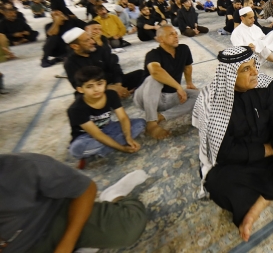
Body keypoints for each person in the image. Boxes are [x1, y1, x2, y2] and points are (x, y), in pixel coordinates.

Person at [192, 46, 273, 241]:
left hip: (271, 145)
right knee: (217, 183)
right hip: (239, 159)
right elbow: (225, 152)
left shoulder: (264, 86)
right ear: (230, 76)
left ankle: (256, 205)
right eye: (246, 69)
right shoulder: (212, 102)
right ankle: (266, 197)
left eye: (254, 65)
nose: (255, 72)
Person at [0, 152, 147, 253]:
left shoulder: (23, 166)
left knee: (130, 226)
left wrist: (66, 244)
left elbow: (86, 189)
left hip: (51, 218)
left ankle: (113, 195)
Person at [133, 25, 199, 139]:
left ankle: (162, 116)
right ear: (161, 39)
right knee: (153, 79)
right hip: (147, 97)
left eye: (176, 33)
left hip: (170, 97)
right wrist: (178, 87)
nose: (176, 36)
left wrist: (189, 83)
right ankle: (151, 122)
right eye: (171, 34)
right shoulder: (153, 54)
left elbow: (187, 67)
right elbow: (155, 71)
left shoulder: (184, 49)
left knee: (200, 95)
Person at [67, 66, 145, 161]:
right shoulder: (76, 109)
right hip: (87, 136)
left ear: (105, 83)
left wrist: (128, 137)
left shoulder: (111, 94)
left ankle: (103, 148)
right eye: (89, 86)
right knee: (77, 149)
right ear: (80, 89)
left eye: (99, 84)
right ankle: (112, 144)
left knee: (140, 124)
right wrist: (122, 148)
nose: (96, 89)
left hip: (109, 128)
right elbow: (97, 134)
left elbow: (123, 118)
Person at [63, 27, 145, 97]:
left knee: (141, 74)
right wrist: (109, 88)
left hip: (113, 82)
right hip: (96, 89)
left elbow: (115, 67)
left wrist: (118, 85)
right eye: (87, 40)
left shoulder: (98, 50)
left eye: (91, 38)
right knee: (80, 97)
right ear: (75, 46)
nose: (93, 42)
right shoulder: (70, 62)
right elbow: (78, 85)